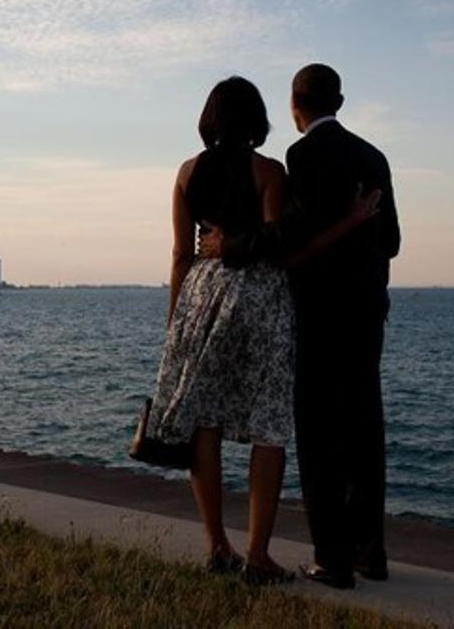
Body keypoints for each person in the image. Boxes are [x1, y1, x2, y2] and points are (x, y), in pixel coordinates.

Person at [130, 76, 376, 586]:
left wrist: (176, 321)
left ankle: (217, 545)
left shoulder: (185, 173)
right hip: (258, 297)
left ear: (209, 119)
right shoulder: (268, 170)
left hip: (200, 293)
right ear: (258, 119)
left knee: (205, 422)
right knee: (267, 425)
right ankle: (257, 554)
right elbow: (275, 239)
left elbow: (180, 254)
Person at [202, 63, 401, 589]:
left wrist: (230, 247)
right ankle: (370, 553)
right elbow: (394, 241)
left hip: (318, 314)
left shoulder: (303, 155)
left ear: (296, 107)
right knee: (364, 431)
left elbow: (286, 237)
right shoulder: (374, 157)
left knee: (318, 436)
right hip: (367, 314)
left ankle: (332, 560)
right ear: (341, 100)